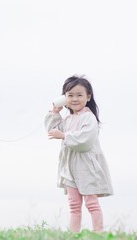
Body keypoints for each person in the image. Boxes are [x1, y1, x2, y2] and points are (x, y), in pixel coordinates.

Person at [45, 75, 113, 232]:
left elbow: (85, 140)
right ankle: (74, 233)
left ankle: (98, 232)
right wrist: (55, 113)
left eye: (79, 95)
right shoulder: (68, 119)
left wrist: (64, 136)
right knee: (74, 204)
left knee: (91, 202)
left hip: (86, 166)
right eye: (70, 95)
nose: (74, 99)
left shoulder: (89, 118)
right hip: (69, 167)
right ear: (64, 97)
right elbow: (53, 129)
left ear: (88, 97)